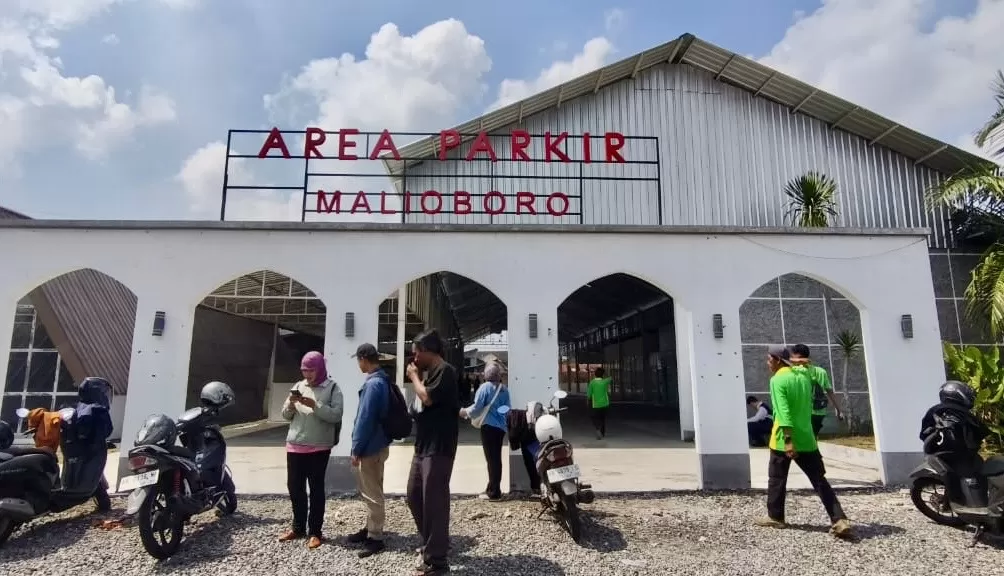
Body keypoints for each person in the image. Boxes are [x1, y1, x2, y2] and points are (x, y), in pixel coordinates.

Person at [756, 345, 853, 538]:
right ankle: (839, 519)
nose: (767, 363)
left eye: (769, 359)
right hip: (807, 439)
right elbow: (809, 368)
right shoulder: (803, 376)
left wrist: (788, 441)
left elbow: (783, 413)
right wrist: (801, 363)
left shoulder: (777, 380)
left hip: (783, 440)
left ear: (777, 360)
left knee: (777, 479)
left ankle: (775, 517)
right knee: (819, 480)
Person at [406, 329, 460, 576]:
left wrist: (414, 377)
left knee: (434, 501)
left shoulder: (445, 371)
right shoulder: (430, 375)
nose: (414, 358)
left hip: (439, 447)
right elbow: (422, 404)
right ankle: (435, 542)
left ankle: (437, 562)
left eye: (417, 353)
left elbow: (427, 398)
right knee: (414, 494)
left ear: (428, 351)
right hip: (423, 446)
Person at [279, 351, 344, 549]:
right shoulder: (299, 386)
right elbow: (285, 415)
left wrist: (316, 406)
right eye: (304, 370)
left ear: (320, 369)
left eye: (311, 370)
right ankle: (298, 527)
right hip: (295, 445)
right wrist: (291, 404)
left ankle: (315, 532)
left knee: (316, 489)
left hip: (318, 447)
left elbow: (336, 415)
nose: (307, 374)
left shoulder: (332, 388)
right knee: (294, 487)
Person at [345, 343, 393, 558]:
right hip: (378, 444)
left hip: (370, 447)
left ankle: (375, 537)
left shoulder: (373, 384)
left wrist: (356, 447)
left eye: (358, 360)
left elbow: (365, 419)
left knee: (372, 493)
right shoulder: (383, 380)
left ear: (364, 359)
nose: (358, 364)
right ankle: (370, 527)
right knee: (373, 489)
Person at [460, 362, 511, 501]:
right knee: (496, 459)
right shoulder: (504, 389)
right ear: (498, 375)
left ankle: (494, 492)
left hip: (488, 427)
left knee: (491, 460)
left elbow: (477, 408)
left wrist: (464, 412)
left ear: (486, 375)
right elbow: (507, 409)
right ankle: (492, 488)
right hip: (500, 428)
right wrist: (498, 414)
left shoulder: (484, 388)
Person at [919, 380, 988, 474]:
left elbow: (923, 433)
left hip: (940, 456)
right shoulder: (966, 414)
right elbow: (982, 432)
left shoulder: (935, 410)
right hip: (966, 457)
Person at [789, 344, 843, 437]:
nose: (793, 361)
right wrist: (839, 410)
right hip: (819, 411)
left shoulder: (795, 371)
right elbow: (830, 392)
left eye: (794, 358)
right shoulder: (821, 371)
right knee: (812, 438)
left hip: (803, 413)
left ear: (800, 358)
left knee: (803, 440)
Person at [505, 404, 542, 497]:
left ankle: (536, 488)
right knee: (532, 462)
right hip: (532, 440)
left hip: (531, 440)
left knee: (531, 462)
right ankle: (537, 488)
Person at [586, 367, 612, 439]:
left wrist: (587, 401)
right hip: (605, 403)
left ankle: (598, 428)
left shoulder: (592, 382)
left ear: (595, 374)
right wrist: (605, 373)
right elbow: (610, 378)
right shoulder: (605, 381)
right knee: (602, 418)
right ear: (603, 375)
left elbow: (589, 394)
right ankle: (602, 433)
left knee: (594, 417)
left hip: (595, 404)